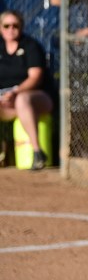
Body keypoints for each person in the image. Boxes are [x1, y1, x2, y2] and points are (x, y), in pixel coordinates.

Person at [0, 10, 53, 170]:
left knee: (22, 100)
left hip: (37, 99)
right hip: (7, 103)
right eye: (6, 26)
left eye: (15, 25)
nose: (11, 29)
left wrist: (15, 92)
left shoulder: (30, 46)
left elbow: (35, 77)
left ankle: (38, 153)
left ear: (21, 27)